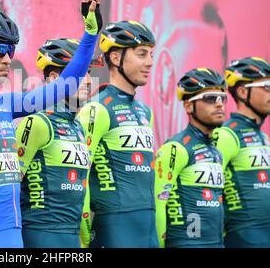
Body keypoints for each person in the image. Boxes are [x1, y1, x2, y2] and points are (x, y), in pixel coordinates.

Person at [0, 0, 103, 248]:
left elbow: (65, 85)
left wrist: (90, 33)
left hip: (14, 236)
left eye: (10, 50)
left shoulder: (4, 104)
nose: (7, 58)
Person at [77, 20, 158, 248]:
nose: (150, 62)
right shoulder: (97, 108)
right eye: (142, 54)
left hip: (148, 225)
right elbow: (80, 173)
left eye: (151, 55)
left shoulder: (145, 111)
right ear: (115, 58)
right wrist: (84, 229)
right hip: (114, 226)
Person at [15, 38, 103, 248]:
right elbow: (9, 187)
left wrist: (85, 237)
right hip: (40, 234)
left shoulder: (78, 127)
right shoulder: (36, 122)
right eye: (82, 73)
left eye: (89, 72)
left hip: (73, 236)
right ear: (55, 77)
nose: (90, 81)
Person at [155, 68, 227, 248]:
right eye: (210, 98)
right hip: (185, 243)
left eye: (222, 98)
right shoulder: (176, 147)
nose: (219, 104)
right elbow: (158, 204)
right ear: (188, 106)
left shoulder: (216, 151)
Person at [214, 57, 270, 248]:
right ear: (243, 92)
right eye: (266, 86)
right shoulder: (227, 134)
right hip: (243, 236)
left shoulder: (263, 136)